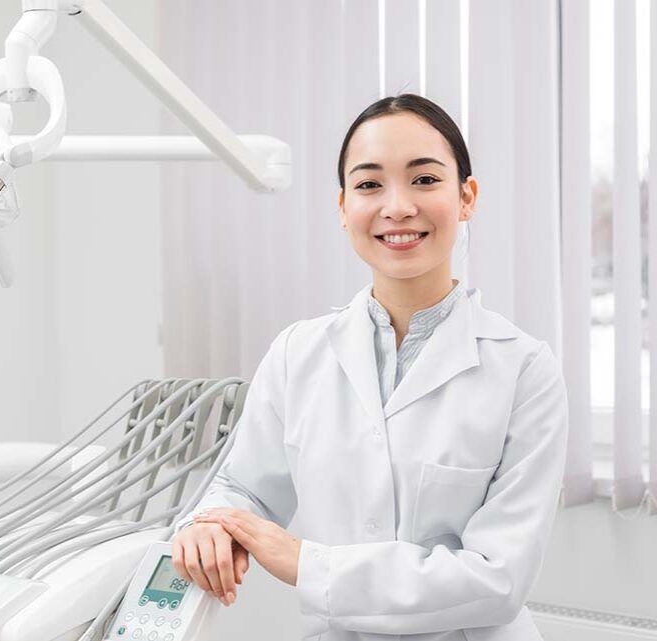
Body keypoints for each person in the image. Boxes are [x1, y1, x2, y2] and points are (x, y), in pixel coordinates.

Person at [170, 94, 569, 641]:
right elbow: (245, 485)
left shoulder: (524, 369)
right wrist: (208, 522)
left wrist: (308, 565)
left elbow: (499, 578)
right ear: (342, 207)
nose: (398, 207)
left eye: (425, 180)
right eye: (369, 184)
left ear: (466, 196)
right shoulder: (297, 352)